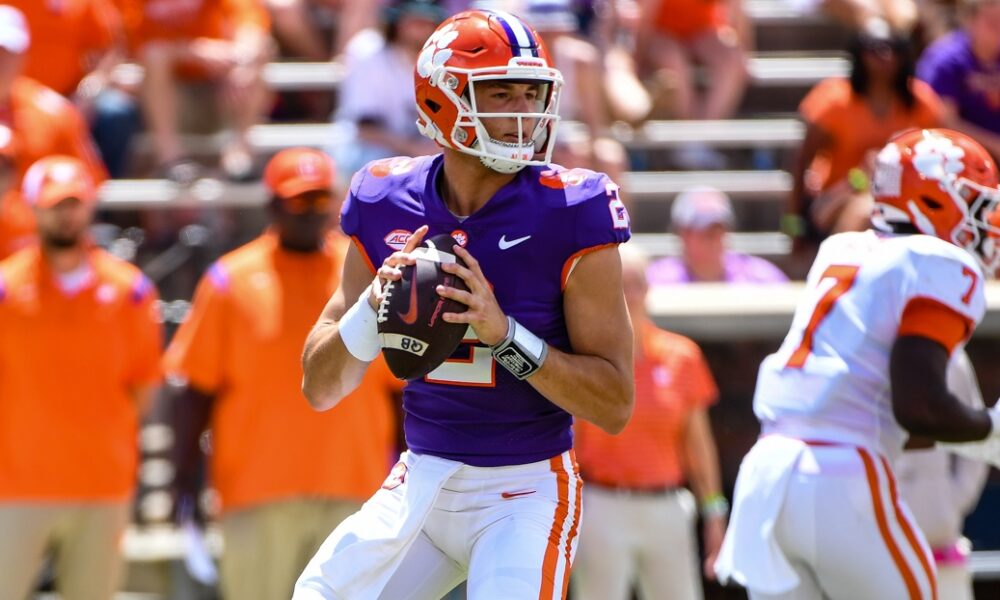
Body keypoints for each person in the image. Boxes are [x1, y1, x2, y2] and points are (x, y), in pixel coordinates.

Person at [296, 9, 634, 599]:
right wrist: (372, 309)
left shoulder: (572, 210)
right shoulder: (383, 198)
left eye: (532, 93)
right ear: (440, 101)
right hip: (421, 477)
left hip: (524, 491)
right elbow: (319, 387)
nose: (524, 112)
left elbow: (614, 404)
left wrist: (504, 335)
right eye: (500, 93)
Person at [714, 127, 1000, 599]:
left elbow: (887, 408)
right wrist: (987, 430)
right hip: (841, 478)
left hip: (766, 475)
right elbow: (919, 405)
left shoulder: (842, 249)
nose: (986, 221)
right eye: (975, 203)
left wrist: (969, 432)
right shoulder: (939, 261)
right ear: (935, 200)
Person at [162, 148, 404, 600]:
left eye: (319, 200)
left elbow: (400, 392)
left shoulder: (368, 275)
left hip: (357, 488)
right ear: (272, 205)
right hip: (257, 490)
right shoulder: (229, 281)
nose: (310, 212)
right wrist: (183, 480)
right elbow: (196, 389)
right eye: (298, 200)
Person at [0, 155, 162, 598]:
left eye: (73, 203)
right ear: (32, 209)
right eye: (55, 205)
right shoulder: (5, 289)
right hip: (15, 485)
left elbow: (143, 386)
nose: (66, 215)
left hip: (100, 484)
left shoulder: (130, 292)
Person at [572, 242, 727, 600]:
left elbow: (698, 446)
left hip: (666, 506)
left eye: (637, 284)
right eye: (620, 285)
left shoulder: (681, 355)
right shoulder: (585, 356)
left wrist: (714, 511)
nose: (630, 295)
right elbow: (572, 443)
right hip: (602, 504)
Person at [789, 20, 945, 253]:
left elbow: (942, 154)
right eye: (875, 49)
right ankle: (848, 266)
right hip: (842, 194)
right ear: (859, 53)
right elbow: (802, 162)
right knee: (865, 209)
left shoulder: (921, 102)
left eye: (893, 48)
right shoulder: (834, 100)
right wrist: (793, 224)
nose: (885, 56)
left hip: (908, 197)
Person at [120, 0, 273, 182]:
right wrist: (192, 51)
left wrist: (242, 61)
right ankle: (170, 159)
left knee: (260, 50)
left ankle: (240, 153)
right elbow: (135, 45)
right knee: (155, 55)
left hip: (223, 90)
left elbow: (251, 20)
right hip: (170, 99)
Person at [0, 4, 108, 260]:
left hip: (38, 255)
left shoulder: (53, 112)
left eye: (6, 53)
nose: (0, 62)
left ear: (23, 56)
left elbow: (88, 184)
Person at [895, 349, 989, 600]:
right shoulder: (861, 349)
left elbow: (975, 436)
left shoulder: (952, 358)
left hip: (941, 552)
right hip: (874, 550)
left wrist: (952, 501)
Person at [10, 0, 140, 178]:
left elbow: (112, 49)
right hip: (16, 98)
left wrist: (92, 85)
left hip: (72, 96)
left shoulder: (84, 3)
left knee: (116, 111)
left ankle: (103, 190)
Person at [329, 0, 444, 181]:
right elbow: (366, 128)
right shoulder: (367, 51)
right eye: (414, 19)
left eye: (427, 19)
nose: (421, 26)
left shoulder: (445, 59)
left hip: (423, 147)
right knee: (371, 163)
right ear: (396, 21)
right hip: (367, 146)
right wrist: (414, 150)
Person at [634, 0, 750, 169]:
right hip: (659, 30)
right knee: (674, 62)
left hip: (702, 29)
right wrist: (636, 60)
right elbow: (645, 17)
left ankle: (700, 140)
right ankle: (687, 138)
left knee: (733, 61)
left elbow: (737, 10)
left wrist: (743, 52)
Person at [647, 185, 789, 284]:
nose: (715, 239)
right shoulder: (657, 280)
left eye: (719, 229)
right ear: (682, 234)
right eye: (706, 231)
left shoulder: (760, 278)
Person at [916, 0, 1000, 160]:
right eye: (992, 22)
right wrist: (995, 146)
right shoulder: (945, 60)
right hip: (957, 156)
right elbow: (945, 122)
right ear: (970, 21)